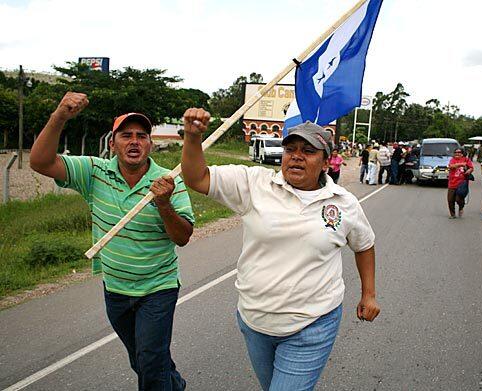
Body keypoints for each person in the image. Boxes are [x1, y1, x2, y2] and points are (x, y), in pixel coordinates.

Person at [181, 115, 380, 391]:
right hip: (254, 321)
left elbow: (364, 244)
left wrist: (368, 294)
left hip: (312, 324)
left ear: (325, 163)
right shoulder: (255, 184)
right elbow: (196, 177)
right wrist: (193, 137)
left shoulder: (343, 203)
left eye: (308, 151)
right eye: (290, 150)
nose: (296, 157)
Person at [29, 92, 195, 391]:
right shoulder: (95, 172)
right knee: (143, 359)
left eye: (142, 136)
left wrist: (164, 204)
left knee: (149, 361)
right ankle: (175, 386)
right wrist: (60, 116)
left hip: (158, 288)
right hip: (115, 289)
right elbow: (40, 162)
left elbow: (182, 237)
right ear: (112, 143)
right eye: (126, 135)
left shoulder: (169, 180)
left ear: (150, 144)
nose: (134, 141)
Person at [447, 147, 474, 218]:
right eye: (456, 152)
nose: (457, 154)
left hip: (462, 183)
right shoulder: (452, 160)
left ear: (462, 153)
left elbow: (471, 167)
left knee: (459, 199)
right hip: (452, 182)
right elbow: (451, 166)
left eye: (459, 152)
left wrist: (469, 170)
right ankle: (452, 214)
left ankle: (461, 207)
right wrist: (461, 164)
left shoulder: (466, 159)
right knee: (450, 200)